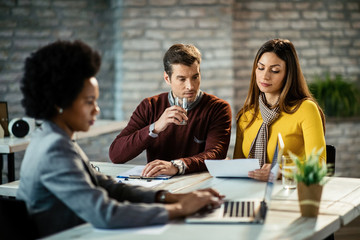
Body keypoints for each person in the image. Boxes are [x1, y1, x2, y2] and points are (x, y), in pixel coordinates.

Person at [16, 40, 224, 238]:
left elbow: (108, 186)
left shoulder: (54, 139)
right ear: (60, 104)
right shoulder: (54, 149)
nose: (96, 110)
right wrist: (179, 209)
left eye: (195, 77)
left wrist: (169, 197)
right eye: (89, 102)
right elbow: (106, 214)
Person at [109, 44, 232, 177]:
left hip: (201, 185)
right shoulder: (150, 106)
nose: (190, 86)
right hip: (159, 186)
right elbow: (116, 155)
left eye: (195, 77)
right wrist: (155, 128)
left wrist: (177, 166)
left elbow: (216, 155)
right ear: (167, 78)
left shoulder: (218, 108)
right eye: (182, 79)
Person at [233, 38, 326, 182]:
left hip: (291, 191)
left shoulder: (305, 109)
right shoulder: (246, 115)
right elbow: (239, 166)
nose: (265, 76)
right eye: (261, 68)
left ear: (288, 74)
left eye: (275, 70)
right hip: (251, 193)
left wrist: (282, 172)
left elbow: (318, 165)